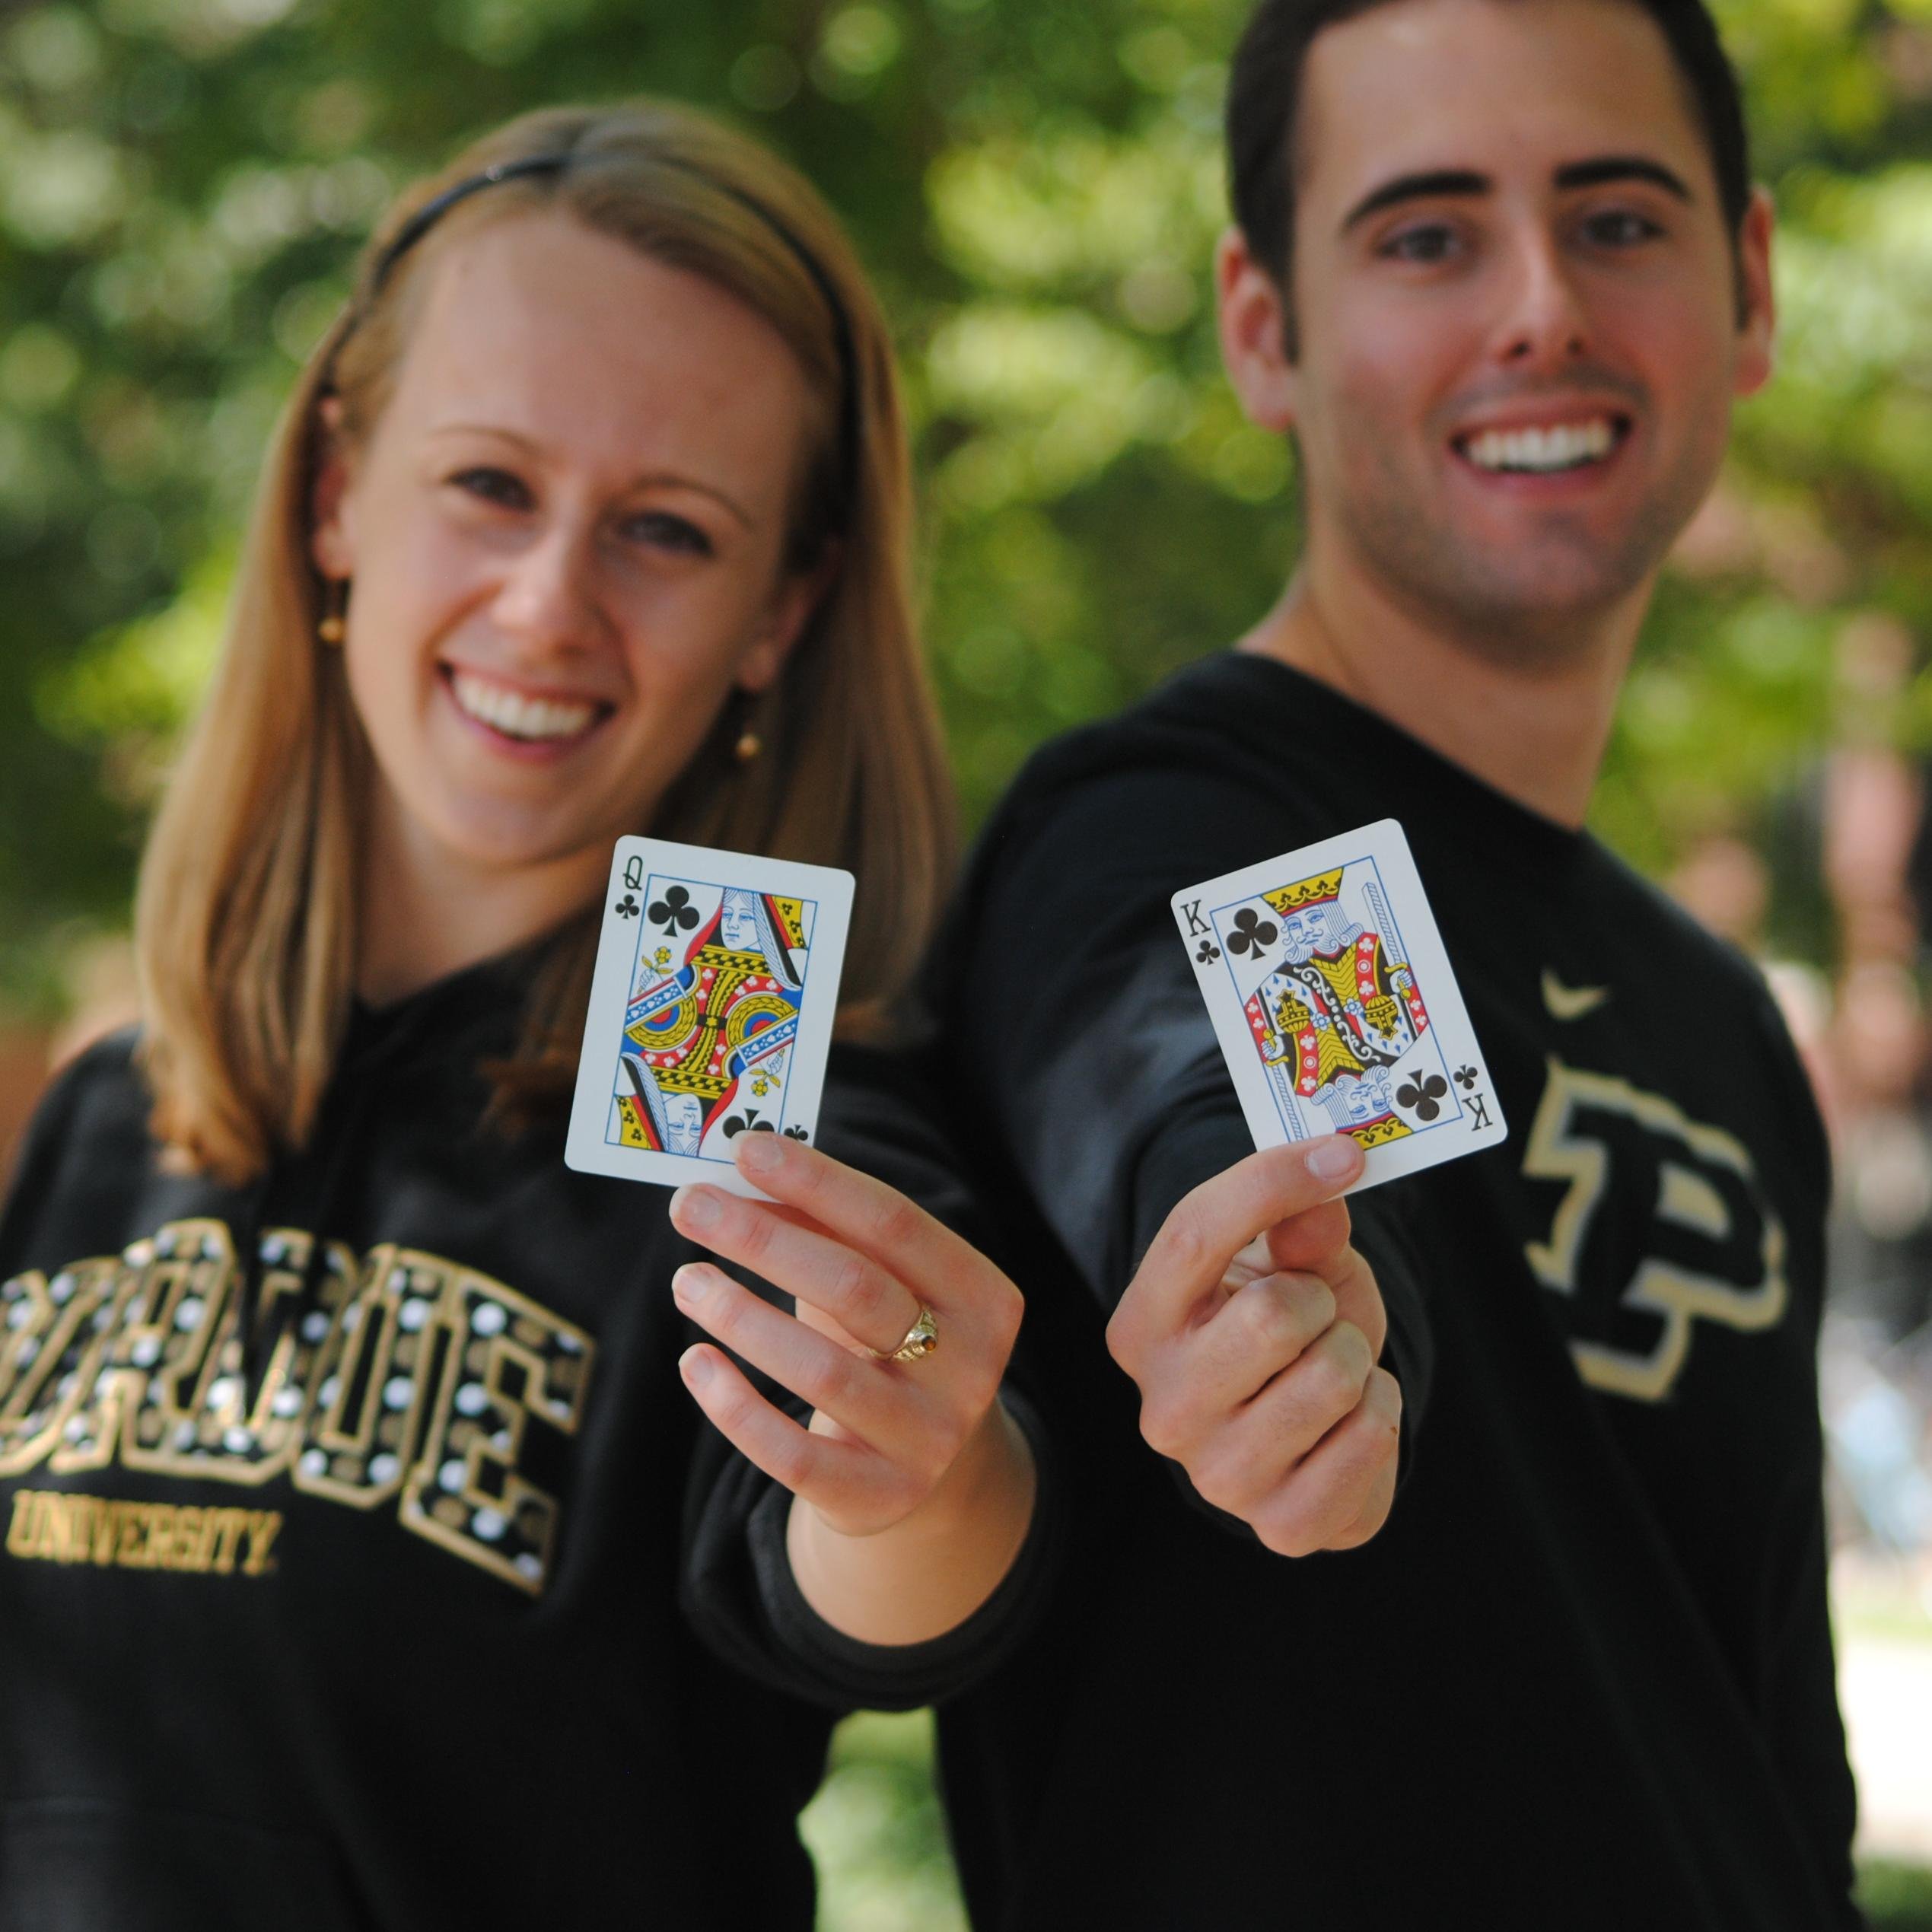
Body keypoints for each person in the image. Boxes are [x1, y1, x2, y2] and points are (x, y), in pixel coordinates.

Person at [0, 100, 1046, 1930]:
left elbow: (880, 1574)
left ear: (780, 610)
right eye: (490, 484)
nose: (551, 603)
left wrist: (923, 1479)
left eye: (667, 529)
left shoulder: (757, 1104)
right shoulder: (115, 1110)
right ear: (336, 493)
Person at [928, 1, 1861, 1925]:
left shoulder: (1716, 1016)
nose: (1540, 310)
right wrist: (1287, 1329)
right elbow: (1243, 1125)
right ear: (1261, 327)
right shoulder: (1188, 837)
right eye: (1427, 236)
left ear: (1751, 287)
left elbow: (1770, 1767)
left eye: (1617, 220)